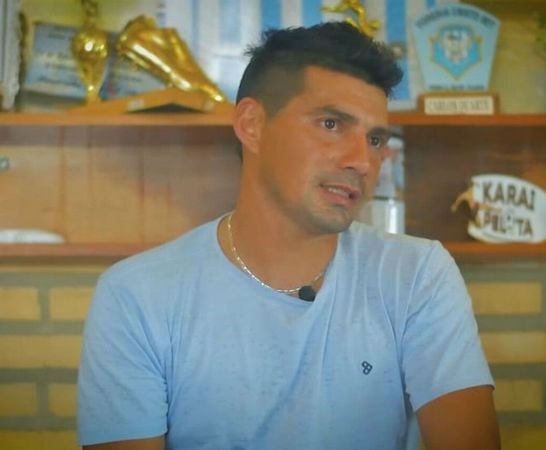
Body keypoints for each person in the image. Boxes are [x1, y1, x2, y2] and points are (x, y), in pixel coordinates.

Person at [77, 22, 500, 450]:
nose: (362, 161)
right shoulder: (138, 296)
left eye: (375, 139)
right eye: (331, 124)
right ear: (252, 125)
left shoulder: (416, 275)